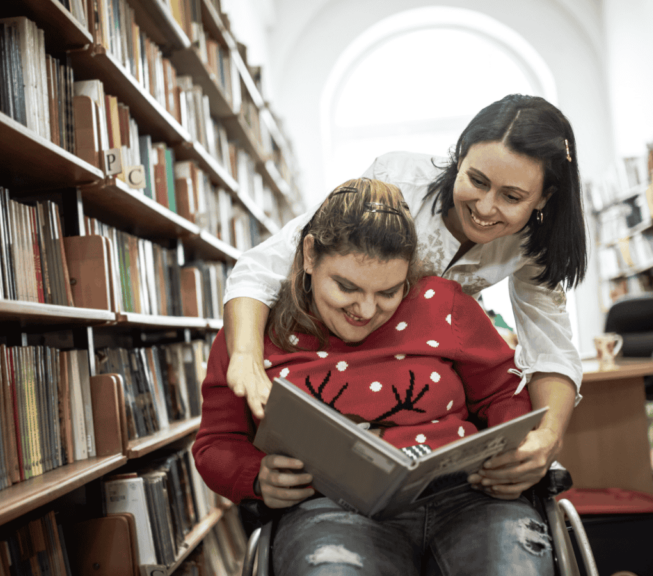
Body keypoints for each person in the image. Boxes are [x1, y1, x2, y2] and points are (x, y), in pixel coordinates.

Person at [223, 94, 587, 498]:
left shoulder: (537, 240)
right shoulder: (396, 180)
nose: (485, 207)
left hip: (437, 371)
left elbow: (551, 344)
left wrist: (549, 437)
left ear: (544, 198)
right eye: (477, 181)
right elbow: (263, 267)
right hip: (356, 361)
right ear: (459, 157)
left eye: (512, 197)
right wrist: (245, 359)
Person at [193, 178, 552, 575]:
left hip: (468, 498)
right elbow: (216, 442)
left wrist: (514, 451)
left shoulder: (443, 304)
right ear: (309, 255)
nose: (365, 310)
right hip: (329, 511)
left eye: (389, 292)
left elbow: (505, 392)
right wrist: (257, 477)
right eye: (346, 287)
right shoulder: (252, 333)